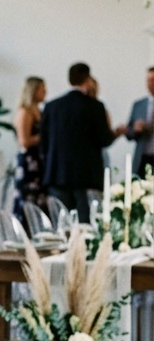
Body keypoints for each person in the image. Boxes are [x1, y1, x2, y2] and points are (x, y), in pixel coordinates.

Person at [40, 62, 122, 224]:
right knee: (86, 225)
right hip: (87, 177)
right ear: (88, 79)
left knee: (60, 224)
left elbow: (44, 143)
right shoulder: (95, 107)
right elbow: (104, 139)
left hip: (58, 173)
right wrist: (117, 133)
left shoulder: (52, 107)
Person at [13, 76, 46, 222]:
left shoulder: (38, 111)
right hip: (29, 162)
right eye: (42, 89)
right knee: (28, 199)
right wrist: (45, 136)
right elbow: (23, 141)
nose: (45, 92)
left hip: (39, 160)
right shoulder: (24, 112)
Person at [122, 68, 154, 177]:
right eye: (148, 80)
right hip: (143, 157)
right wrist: (136, 130)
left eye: (153, 80)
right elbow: (129, 133)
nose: (151, 83)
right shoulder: (138, 105)